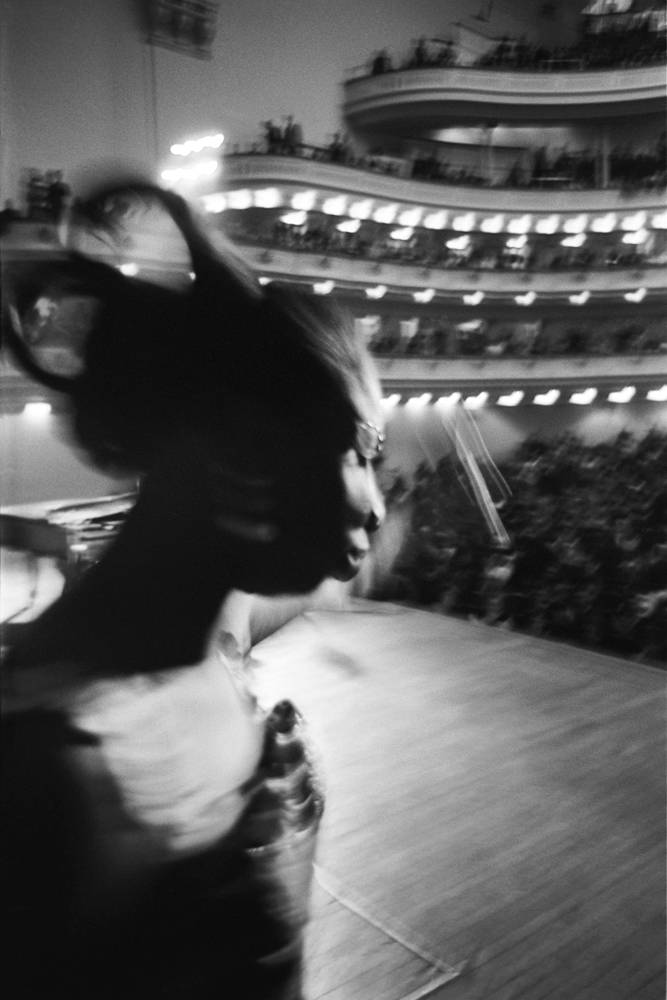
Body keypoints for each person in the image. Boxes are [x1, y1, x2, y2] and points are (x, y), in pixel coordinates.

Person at [1, 178, 386, 998]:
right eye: (359, 450)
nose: (377, 496)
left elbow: (286, 600)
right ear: (249, 457)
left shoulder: (205, 631)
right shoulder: (57, 771)